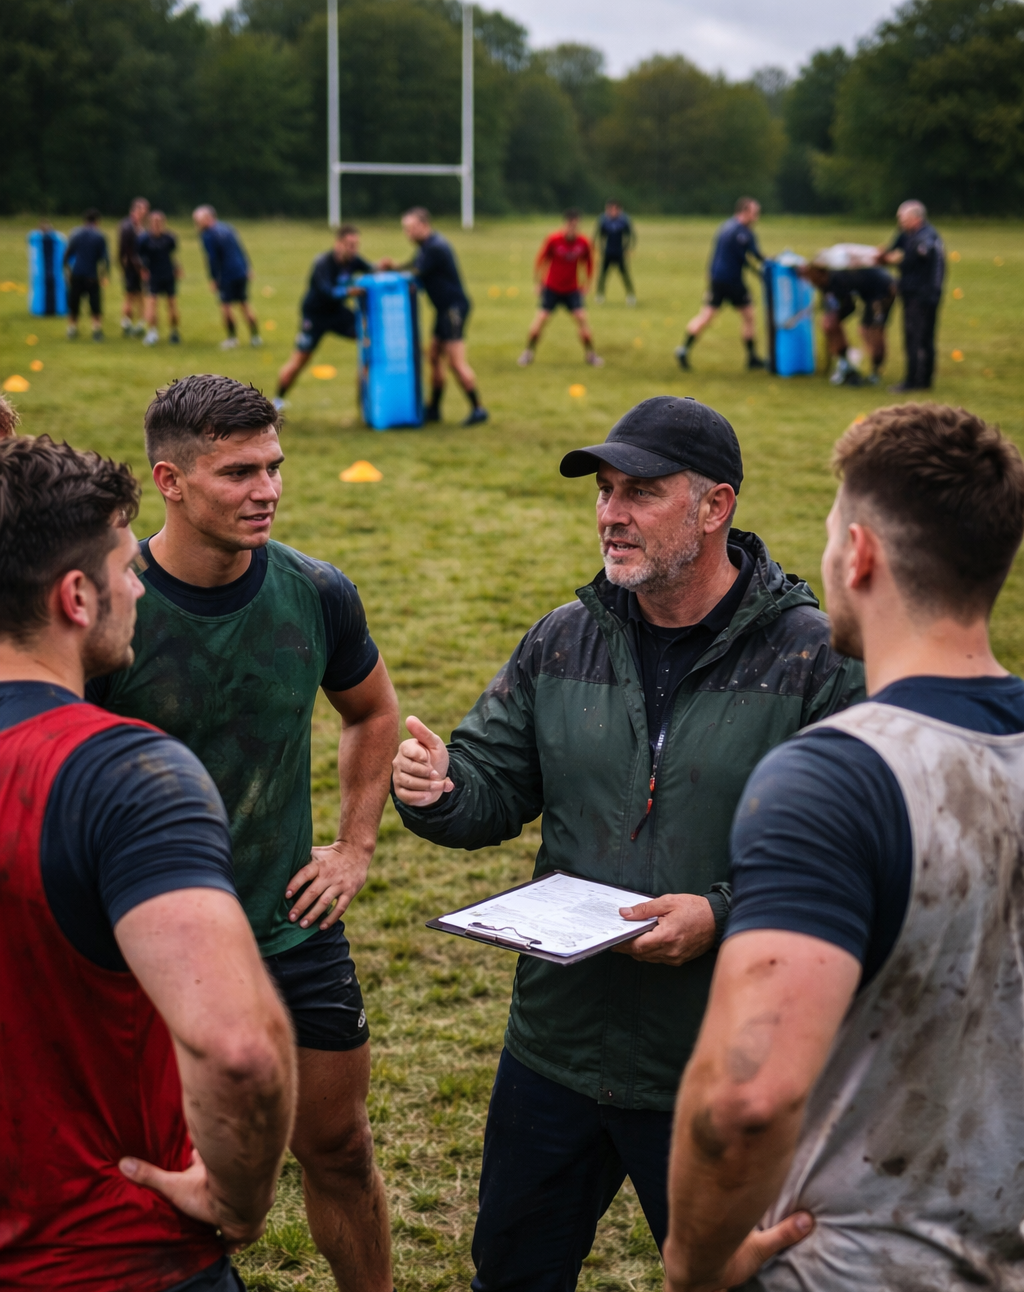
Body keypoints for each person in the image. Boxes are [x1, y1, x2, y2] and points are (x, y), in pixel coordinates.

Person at [391, 395, 864, 1291]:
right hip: (555, 1047)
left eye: (640, 491)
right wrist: (437, 790)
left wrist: (720, 915)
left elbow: (859, 865)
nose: (611, 513)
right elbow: (492, 788)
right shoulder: (565, 637)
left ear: (715, 506)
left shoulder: (816, 662)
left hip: (722, 1066)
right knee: (512, 1272)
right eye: (605, 491)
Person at [663, 400, 1024, 1291]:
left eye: (831, 534)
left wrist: (693, 1263)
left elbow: (746, 1098)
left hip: (860, 1265)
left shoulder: (833, 780)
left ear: (858, 554)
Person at [89, 374, 400, 1292]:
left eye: (273, 467)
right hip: (145, 946)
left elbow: (372, 712)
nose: (266, 490)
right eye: (237, 473)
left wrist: (354, 848)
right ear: (170, 481)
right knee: (147, 1171)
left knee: (339, 1148)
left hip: (289, 926)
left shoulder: (316, 591)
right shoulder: (110, 610)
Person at [0, 433, 296, 1292]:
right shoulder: (126, 776)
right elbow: (238, 1049)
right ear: (77, 596)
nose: (140, 586)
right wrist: (237, 1196)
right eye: (127, 568)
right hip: (110, 1254)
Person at [384, 207, 487, 427]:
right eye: (406, 229)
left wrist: (392, 275)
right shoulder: (426, 247)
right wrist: (393, 266)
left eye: (411, 228)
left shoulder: (435, 248)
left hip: (453, 308)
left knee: (456, 362)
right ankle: (434, 409)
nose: (408, 233)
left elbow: (415, 274)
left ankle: (478, 408)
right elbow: (412, 266)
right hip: (443, 310)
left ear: (423, 225)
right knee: (433, 356)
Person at [275, 224, 374, 409]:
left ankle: (365, 402)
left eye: (356, 245)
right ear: (338, 244)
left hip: (337, 313)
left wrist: (384, 268)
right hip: (315, 316)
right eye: (349, 245)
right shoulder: (323, 263)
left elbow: (372, 270)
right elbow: (326, 291)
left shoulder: (354, 261)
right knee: (299, 361)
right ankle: (277, 400)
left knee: (369, 338)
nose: (353, 249)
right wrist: (349, 291)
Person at [676, 197, 766, 372]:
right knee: (748, 315)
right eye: (755, 213)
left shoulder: (725, 227)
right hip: (732, 281)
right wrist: (763, 271)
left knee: (707, 316)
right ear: (745, 212)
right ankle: (752, 357)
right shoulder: (741, 232)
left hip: (717, 279)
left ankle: (684, 349)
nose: (756, 217)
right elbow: (749, 257)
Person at [519, 209, 603, 368]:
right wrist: (538, 283)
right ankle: (528, 353)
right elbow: (541, 260)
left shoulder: (583, 242)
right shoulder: (554, 239)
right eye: (570, 225)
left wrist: (587, 284)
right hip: (552, 288)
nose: (572, 228)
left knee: (582, 319)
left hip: (572, 289)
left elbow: (589, 263)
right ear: (565, 224)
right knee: (540, 320)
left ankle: (590, 355)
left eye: (576, 225)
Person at [879, 199, 945, 392]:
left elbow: (913, 260)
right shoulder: (908, 234)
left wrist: (891, 260)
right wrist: (884, 255)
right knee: (919, 337)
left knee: (917, 338)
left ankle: (914, 381)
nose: (900, 221)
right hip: (912, 293)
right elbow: (892, 248)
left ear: (915, 218)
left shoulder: (926, 238)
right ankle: (923, 380)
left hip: (922, 295)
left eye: (903, 218)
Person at [800, 259, 896, 386]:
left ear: (819, 274)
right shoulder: (823, 284)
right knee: (830, 324)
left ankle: (875, 373)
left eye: (811, 278)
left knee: (871, 330)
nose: (810, 283)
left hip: (882, 290)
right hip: (869, 294)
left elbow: (849, 306)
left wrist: (835, 318)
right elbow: (832, 308)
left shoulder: (837, 280)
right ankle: (845, 365)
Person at [192, 205, 261, 350]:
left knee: (226, 306)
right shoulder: (228, 228)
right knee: (244, 303)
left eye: (198, 220)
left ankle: (232, 338)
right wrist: (247, 267)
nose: (197, 224)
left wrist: (213, 278)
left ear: (207, 218)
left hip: (226, 274)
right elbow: (239, 248)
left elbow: (212, 259)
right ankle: (255, 337)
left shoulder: (208, 235)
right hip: (240, 271)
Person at [64, 208, 109, 341]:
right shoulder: (99, 236)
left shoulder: (75, 234)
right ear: (97, 221)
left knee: (74, 303)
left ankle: (72, 329)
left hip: (77, 273)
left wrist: (68, 272)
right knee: (95, 304)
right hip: (91, 275)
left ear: (84, 220)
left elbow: (66, 256)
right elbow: (105, 259)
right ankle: (96, 330)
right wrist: (104, 275)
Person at [139, 210, 182, 346]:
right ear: (150, 223)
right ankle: (153, 332)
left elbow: (172, 256)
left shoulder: (169, 238)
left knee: (172, 304)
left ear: (163, 223)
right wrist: (143, 270)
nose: (156, 225)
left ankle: (174, 331)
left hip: (167, 274)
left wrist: (177, 268)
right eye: (154, 222)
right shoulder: (145, 239)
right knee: (152, 304)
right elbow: (141, 258)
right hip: (153, 275)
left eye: (159, 222)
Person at [594, 200, 636, 305]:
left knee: (625, 275)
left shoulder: (623, 221)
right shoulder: (604, 220)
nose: (612, 212)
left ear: (619, 210)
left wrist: (627, 248)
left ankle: (630, 295)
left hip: (619, 252)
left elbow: (631, 235)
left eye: (615, 209)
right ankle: (600, 295)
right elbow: (598, 235)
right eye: (610, 209)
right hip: (608, 252)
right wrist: (600, 247)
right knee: (603, 275)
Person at [118, 197, 150, 337]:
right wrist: (139, 268)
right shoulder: (127, 226)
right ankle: (127, 324)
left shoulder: (140, 225)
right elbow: (127, 251)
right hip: (132, 267)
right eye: (144, 209)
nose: (146, 212)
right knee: (131, 296)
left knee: (139, 296)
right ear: (136, 209)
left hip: (137, 266)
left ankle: (139, 323)